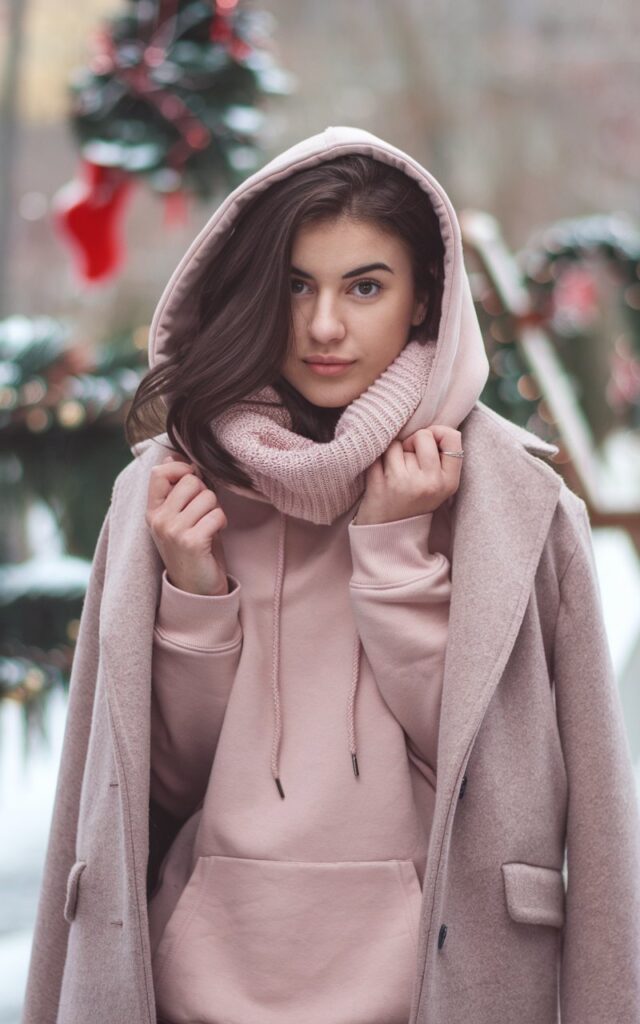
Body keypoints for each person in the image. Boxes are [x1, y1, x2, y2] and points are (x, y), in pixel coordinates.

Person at [21, 126, 640, 1024]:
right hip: (200, 991)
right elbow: (150, 793)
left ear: (425, 297)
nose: (322, 326)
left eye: (365, 286)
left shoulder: (517, 505)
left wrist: (393, 557)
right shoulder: (165, 494)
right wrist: (194, 591)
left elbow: (523, 788)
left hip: (440, 990)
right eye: (295, 285)